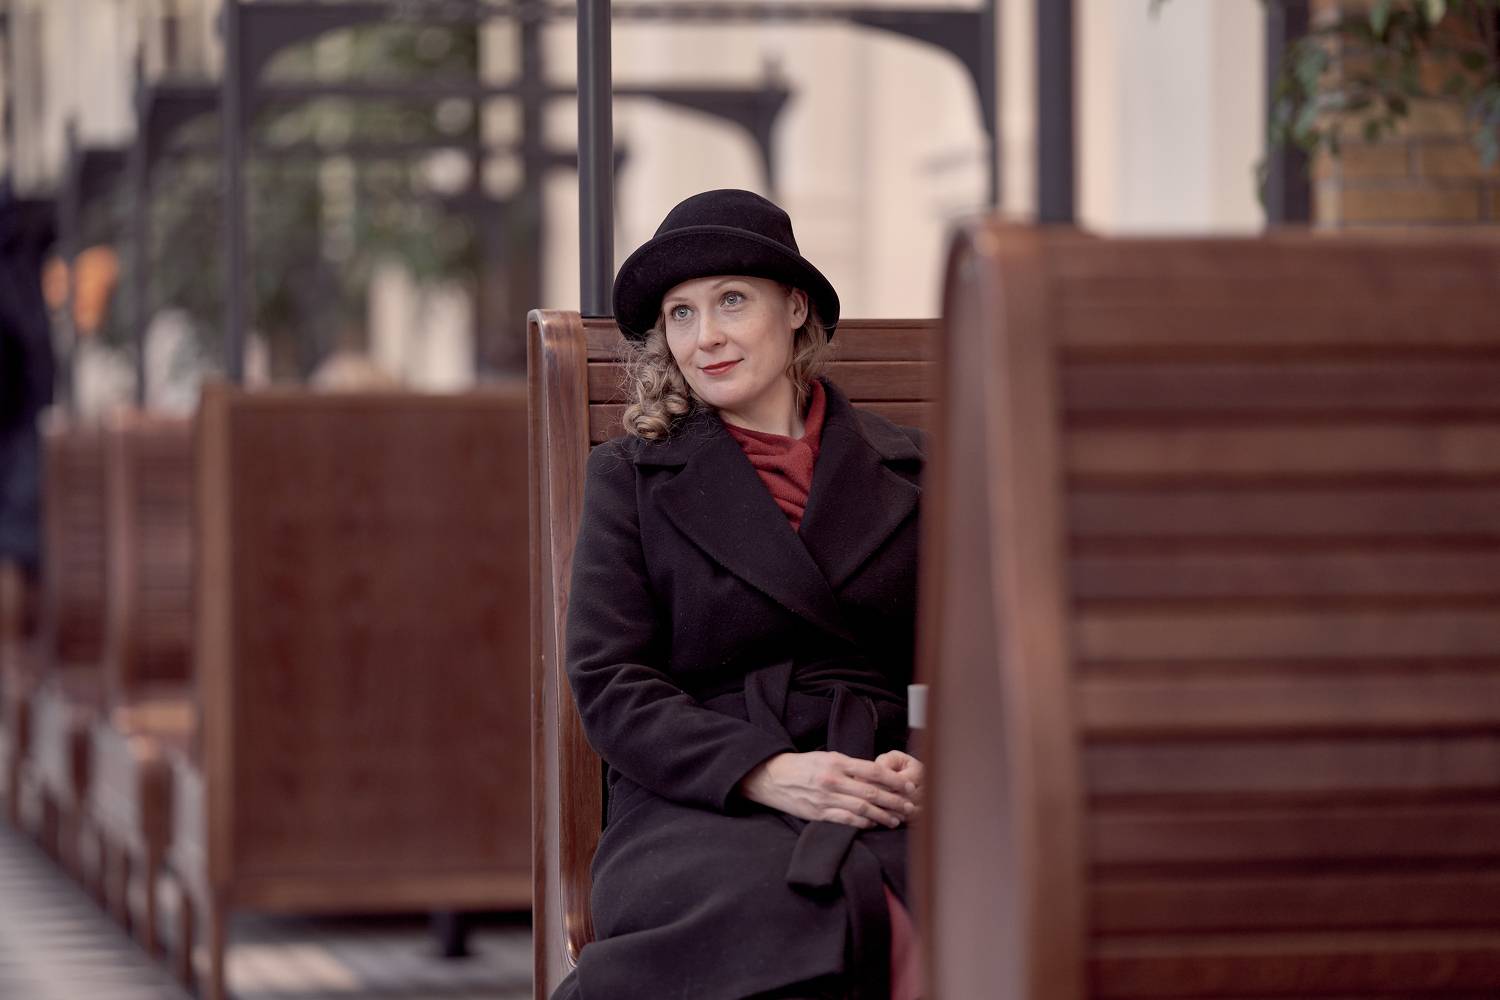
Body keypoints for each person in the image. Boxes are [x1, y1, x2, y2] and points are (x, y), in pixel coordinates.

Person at [557, 189, 925, 1000]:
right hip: (699, 798)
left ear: (794, 308)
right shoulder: (629, 479)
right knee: (779, 910)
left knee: (962, 899)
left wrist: (933, 763)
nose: (706, 337)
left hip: (879, 779)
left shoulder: (915, 469)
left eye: (731, 301)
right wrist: (764, 770)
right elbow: (610, 683)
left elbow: (973, 665)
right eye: (681, 315)